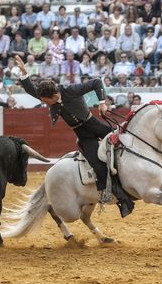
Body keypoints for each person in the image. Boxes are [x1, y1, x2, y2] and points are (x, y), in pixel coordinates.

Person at [14, 54, 133, 216]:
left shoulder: (70, 90)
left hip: (95, 126)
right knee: (97, 164)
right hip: (83, 134)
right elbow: (31, 89)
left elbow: (97, 82)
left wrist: (102, 103)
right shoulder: (48, 95)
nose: (44, 103)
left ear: (53, 96)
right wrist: (24, 72)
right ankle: (120, 199)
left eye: (45, 101)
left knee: (123, 144)